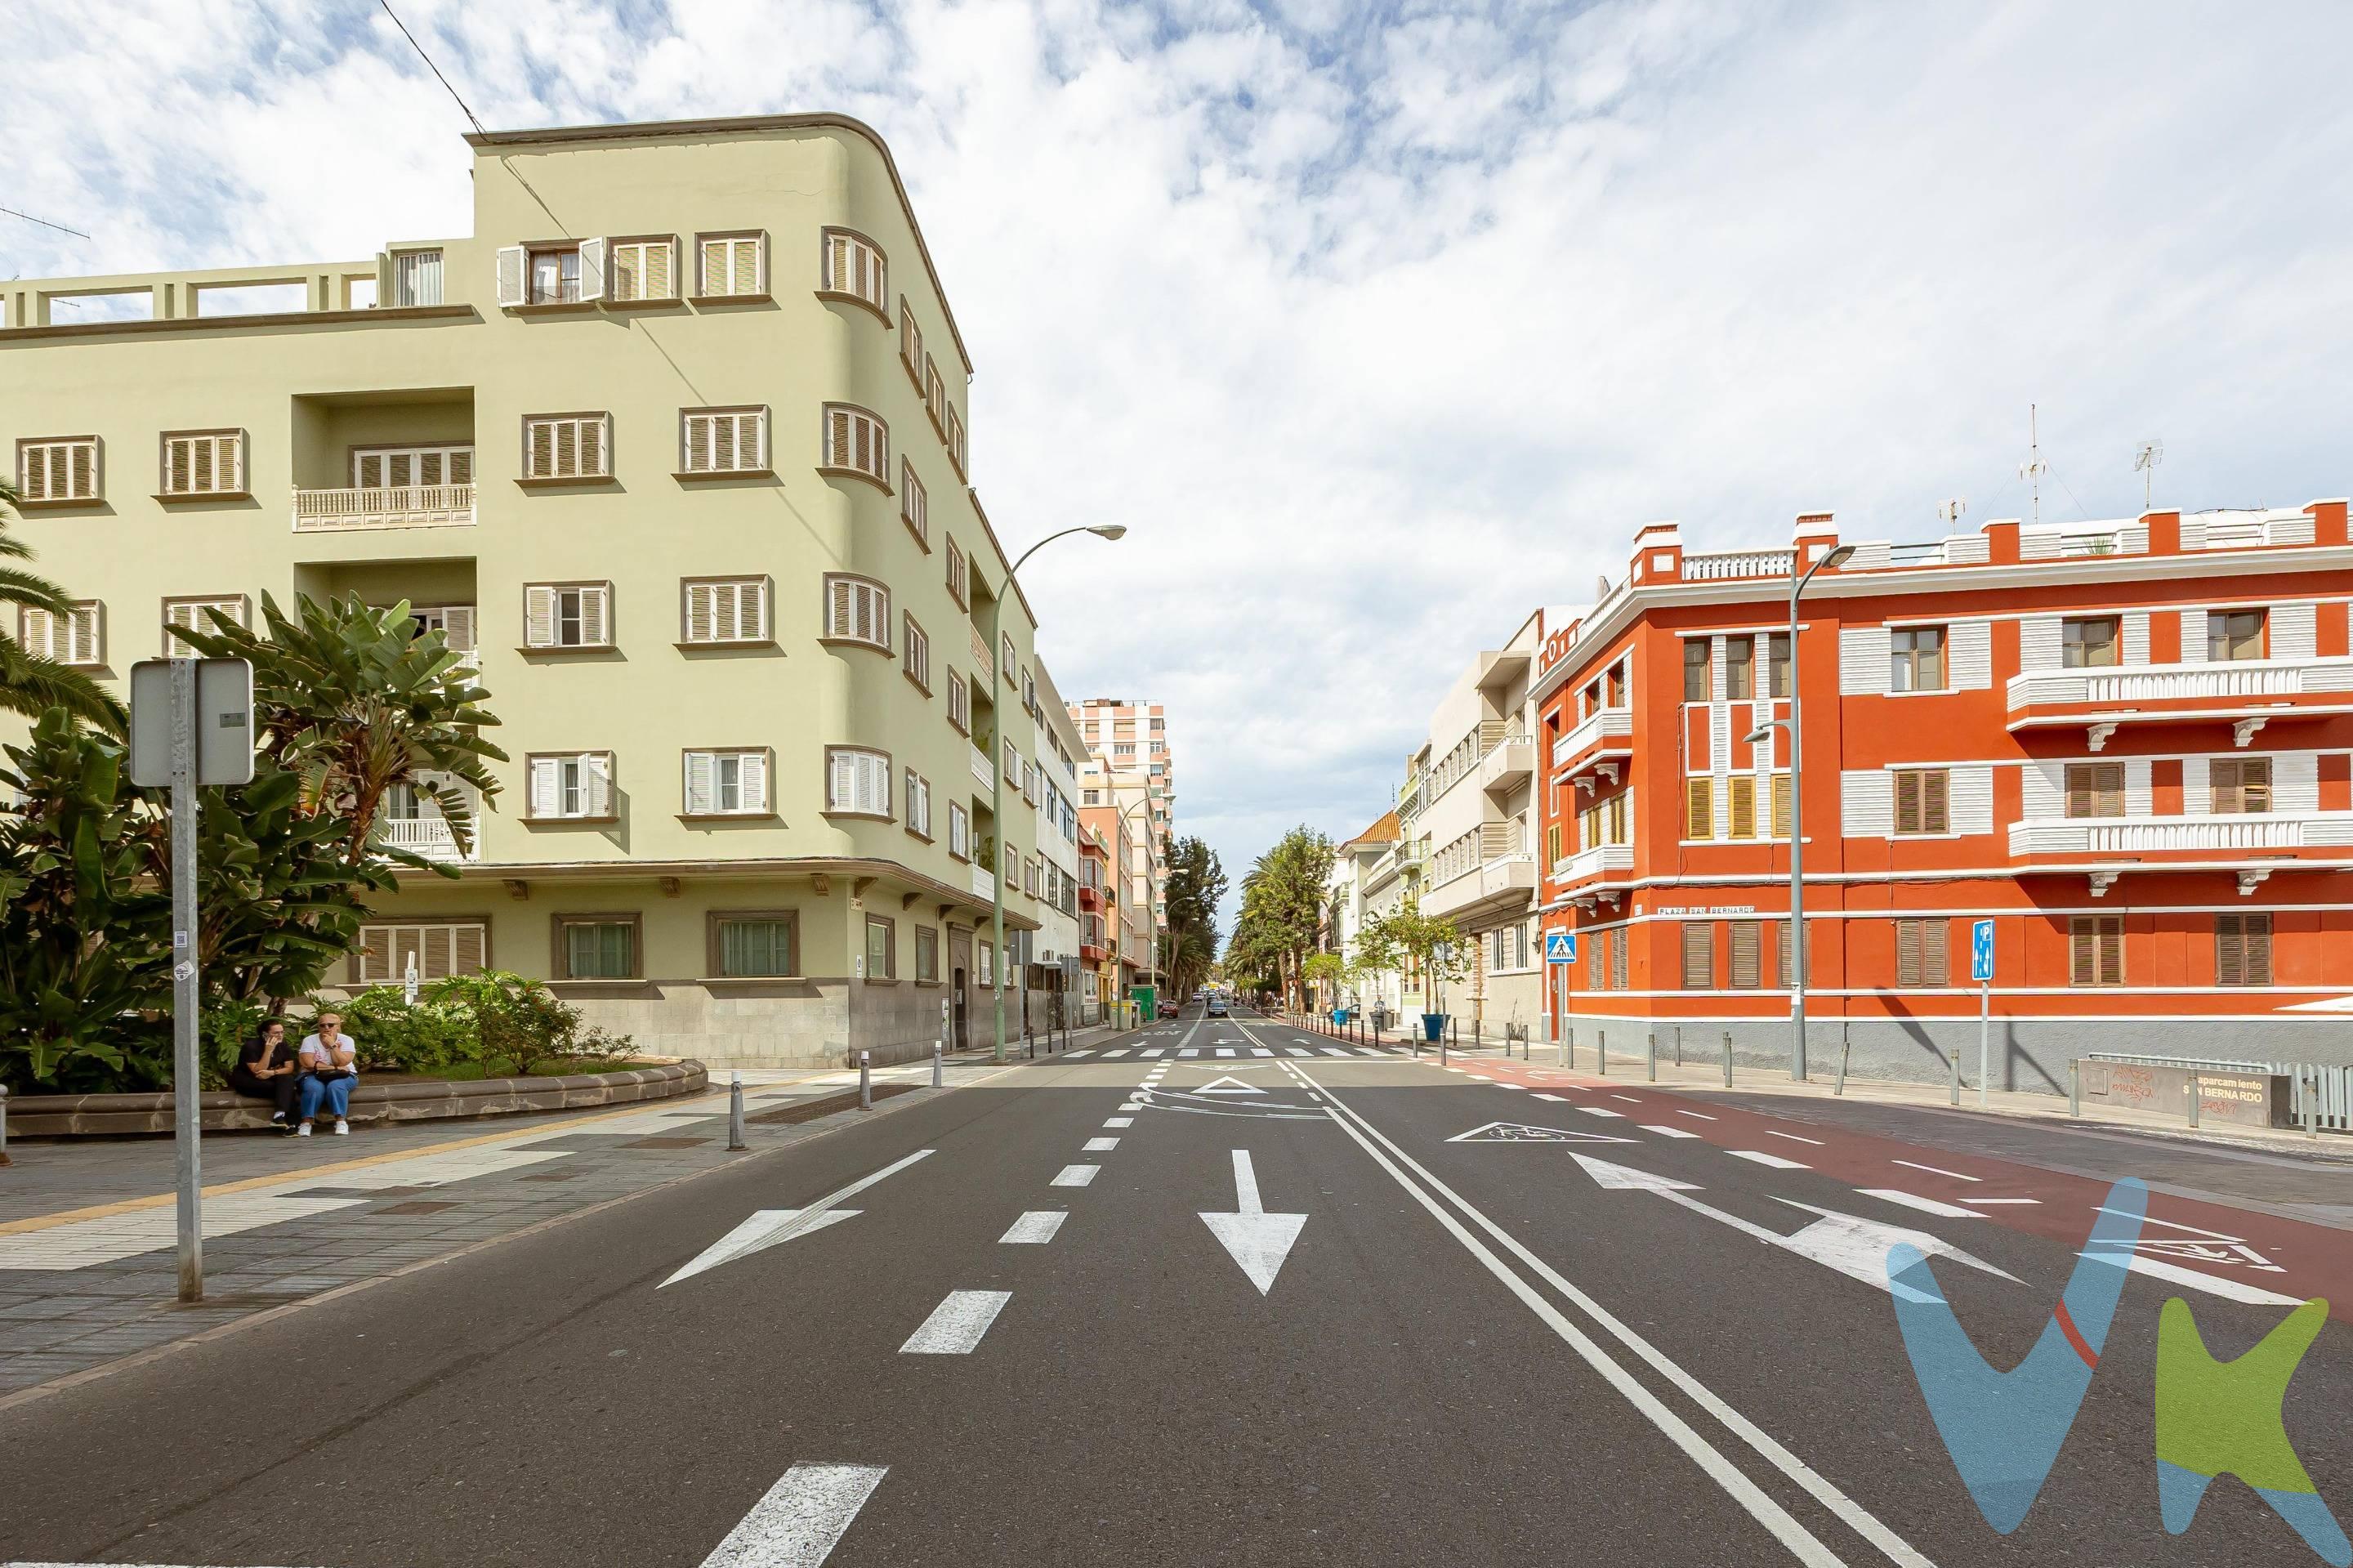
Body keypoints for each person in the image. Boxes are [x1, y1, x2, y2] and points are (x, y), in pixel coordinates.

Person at [227, 1018, 301, 1132]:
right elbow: (258, 1071)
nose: (280, 1035)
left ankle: (280, 1117)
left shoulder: (283, 1045)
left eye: (282, 1032)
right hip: (249, 1082)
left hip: (270, 1078)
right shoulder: (251, 1047)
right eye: (276, 1033)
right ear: (265, 1034)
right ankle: (292, 1126)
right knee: (288, 1091)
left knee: (287, 1080)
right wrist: (268, 1051)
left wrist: (272, 1072)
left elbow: (289, 1069)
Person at [295, 1012, 359, 1137]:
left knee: (336, 1086)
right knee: (313, 1088)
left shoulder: (347, 1040)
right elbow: (308, 1063)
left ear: (338, 1026)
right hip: (313, 1073)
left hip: (343, 1075)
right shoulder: (310, 1040)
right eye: (322, 1025)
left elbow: (344, 1061)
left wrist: (332, 1045)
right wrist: (335, 1067)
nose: (326, 1028)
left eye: (330, 1025)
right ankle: (306, 1123)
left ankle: (341, 1121)